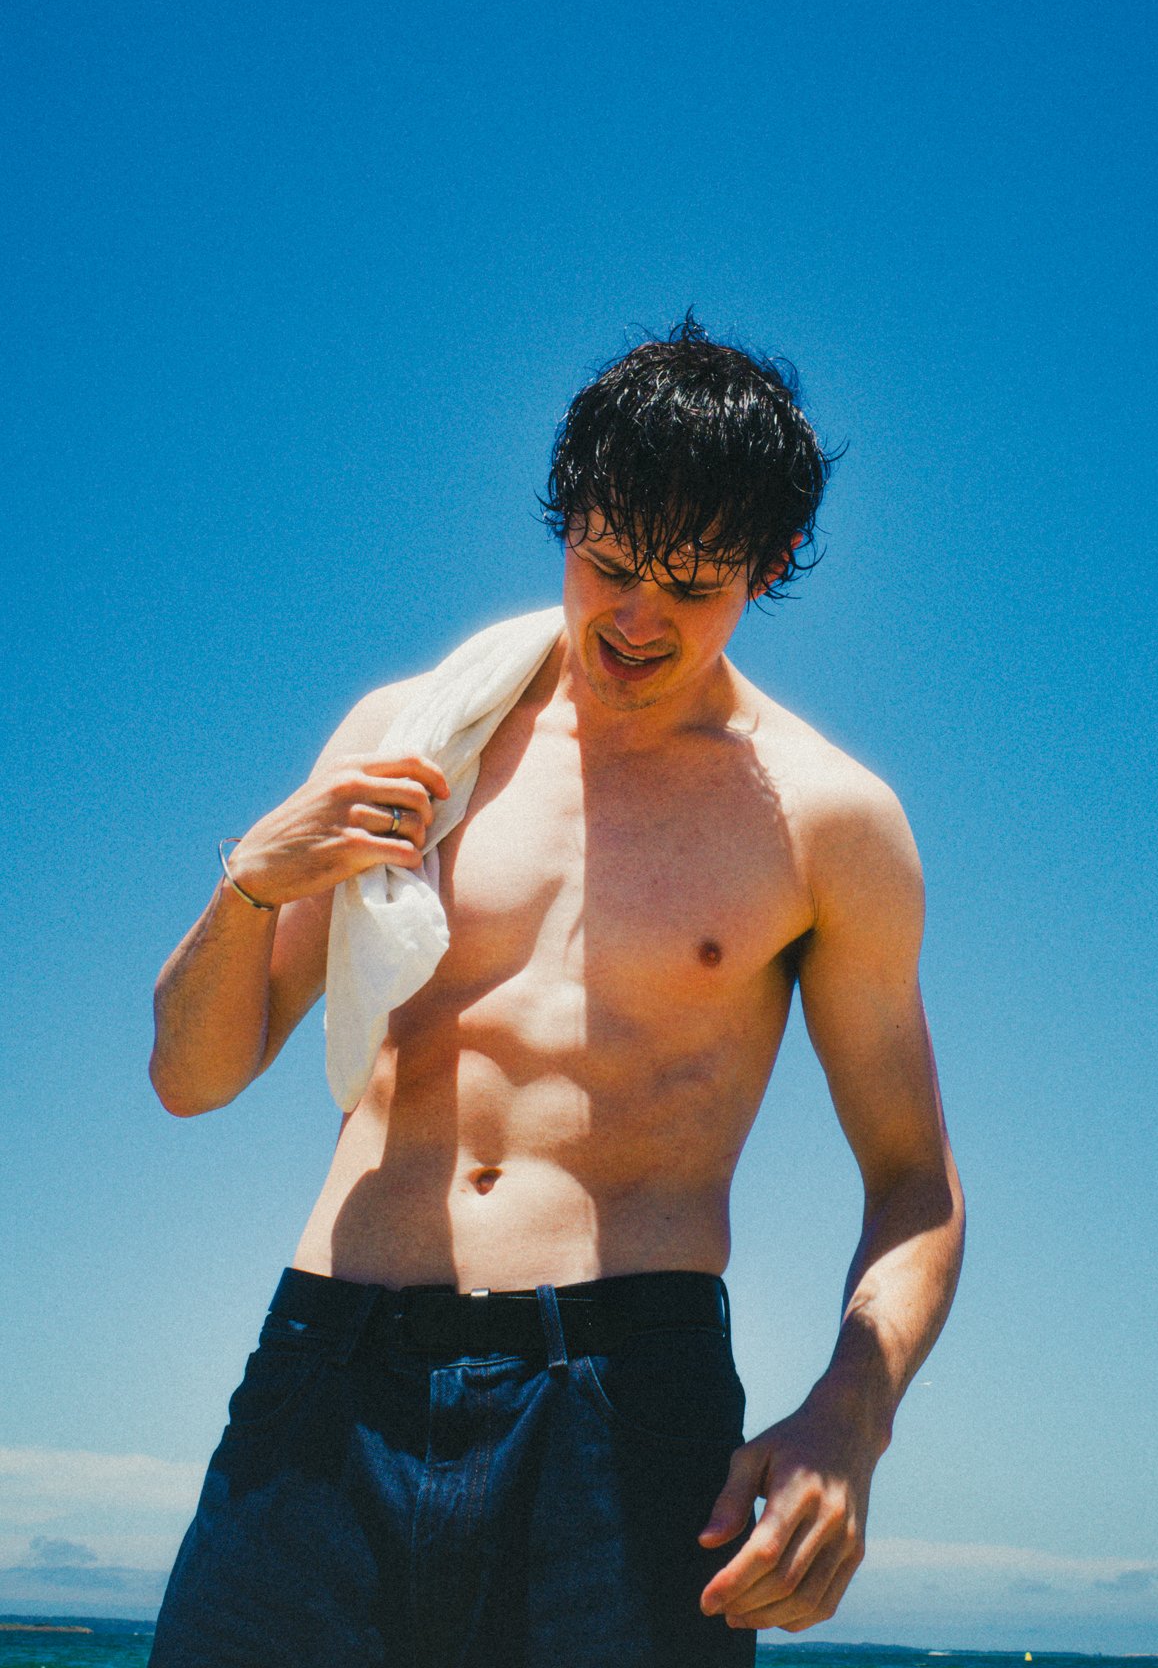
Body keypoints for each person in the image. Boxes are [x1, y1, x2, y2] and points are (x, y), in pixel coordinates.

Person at [147, 315, 965, 1667]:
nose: (638, 619)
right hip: (327, 1360)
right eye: (612, 564)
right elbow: (192, 1078)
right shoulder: (414, 739)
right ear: (566, 519)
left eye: (694, 585)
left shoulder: (829, 823)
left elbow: (912, 1183)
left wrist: (845, 1421)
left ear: (764, 575)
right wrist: (252, 880)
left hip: (620, 1402)